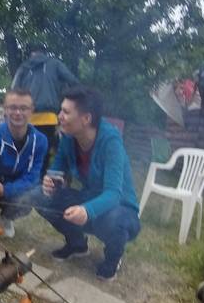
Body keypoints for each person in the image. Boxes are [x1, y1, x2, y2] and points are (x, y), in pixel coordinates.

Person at [36, 86, 139, 281]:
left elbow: (113, 194)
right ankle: (77, 244)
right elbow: (57, 168)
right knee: (42, 198)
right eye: (61, 110)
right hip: (89, 197)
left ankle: (113, 258)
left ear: (86, 119)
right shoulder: (68, 137)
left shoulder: (110, 141)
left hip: (122, 209)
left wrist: (86, 210)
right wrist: (50, 180)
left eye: (66, 112)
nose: (59, 116)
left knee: (113, 218)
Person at [0, 88, 48, 238]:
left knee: (33, 193)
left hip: (13, 190)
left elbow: (32, 178)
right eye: (13, 107)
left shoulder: (40, 141)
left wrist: (5, 190)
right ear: (5, 110)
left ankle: (7, 218)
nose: (18, 113)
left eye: (24, 108)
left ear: (32, 110)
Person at [11, 44, 79, 177]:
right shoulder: (55, 64)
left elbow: (14, 89)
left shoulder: (24, 67)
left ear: (31, 54)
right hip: (49, 117)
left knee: (27, 150)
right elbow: (72, 81)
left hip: (27, 117)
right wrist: (67, 97)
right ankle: (46, 179)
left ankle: (26, 180)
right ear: (45, 52)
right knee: (46, 149)